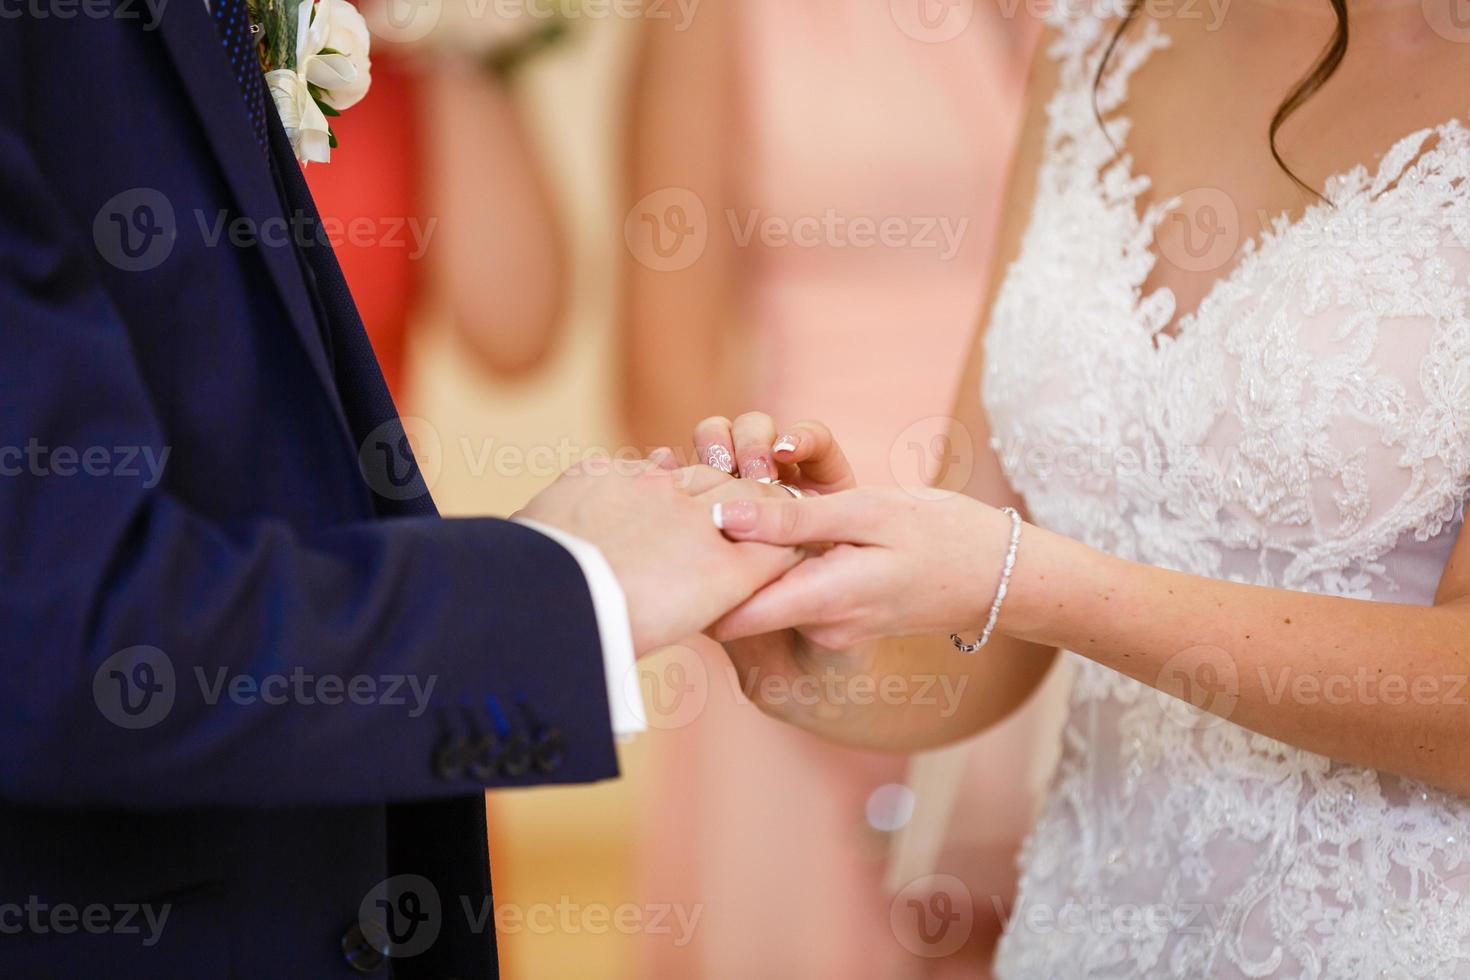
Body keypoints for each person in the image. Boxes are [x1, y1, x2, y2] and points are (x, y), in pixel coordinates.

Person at [0, 6, 791, 978]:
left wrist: (464, 37)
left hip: (379, 702)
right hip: (232, 760)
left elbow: (516, 329)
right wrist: (558, 588)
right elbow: (56, 603)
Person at [690, 0, 1470, 975]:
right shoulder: (1093, 33)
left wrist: (1030, 579)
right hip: (1085, 930)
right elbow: (973, 644)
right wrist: (807, 638)